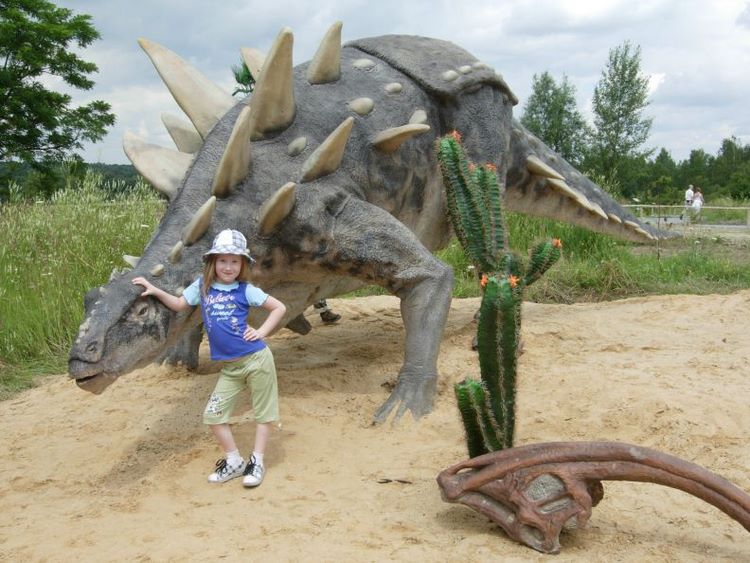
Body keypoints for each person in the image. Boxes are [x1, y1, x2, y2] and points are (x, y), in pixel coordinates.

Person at [132, 229, 286, 488]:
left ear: (242, 265)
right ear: (213, 262)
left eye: (234, 261)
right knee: (214, 416)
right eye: (223, 260)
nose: (228, 266)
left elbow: (279, 307)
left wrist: (261, 332)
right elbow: (179, 304)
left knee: (264, 413)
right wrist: (155, 290)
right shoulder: (202, 287)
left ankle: (257, 460)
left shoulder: (245, 290)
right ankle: (234, 461)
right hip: (230, 368)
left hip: (256, 359)